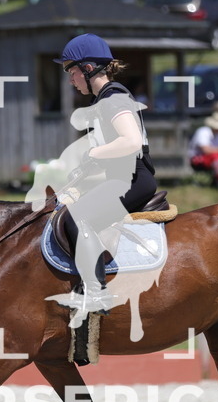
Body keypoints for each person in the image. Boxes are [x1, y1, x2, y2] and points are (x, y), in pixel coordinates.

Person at [49, 33, 158, 323]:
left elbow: (131, 141)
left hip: (133, 181)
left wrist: (96, 152)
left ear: (88, 69)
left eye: (71, 71)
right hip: (123, 178)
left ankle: (96, 292)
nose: (70, 79)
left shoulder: (112, 98)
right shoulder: (106, 99)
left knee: (76, 218)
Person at [189, 113, 218, 193]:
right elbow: (206, 150)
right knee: (216, 157)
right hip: (197, 159)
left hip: (210, 158)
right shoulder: (203, 132)